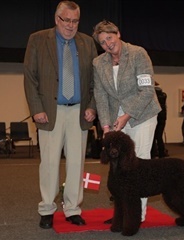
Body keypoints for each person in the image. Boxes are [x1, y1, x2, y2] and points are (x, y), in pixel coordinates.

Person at [23, 1, 98, 229]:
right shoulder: (37, 39)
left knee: (77, 163)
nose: (71, 26)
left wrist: (93, 107)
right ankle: (47, 209)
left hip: (79, 112)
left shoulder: (87, 43)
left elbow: (96, 81)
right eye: (67, 20)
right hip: (49, 112)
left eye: (75, 21)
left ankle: (72, 208)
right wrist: (36, 108)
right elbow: (30, 76)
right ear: (57, 19)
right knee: (49, 163)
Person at [92, 20, 161, 222]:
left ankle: (136, 216)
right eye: (102, 42)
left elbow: (147, 90)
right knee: (118, 169)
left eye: (109, 38)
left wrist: (127, 115)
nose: (107, 45)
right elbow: (101, 96)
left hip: (142, 115)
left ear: (118, 34)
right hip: (115, 121)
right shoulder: (98, 63)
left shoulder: (138, 53)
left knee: (137, 164)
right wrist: (106, 126)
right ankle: (121, 213)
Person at [151, 82, 168, 158]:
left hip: (155, 117)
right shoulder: (164, 95)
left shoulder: (152, 95)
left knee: (153, 137)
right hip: (162, 118)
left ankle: (152, 155)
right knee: (159, 137)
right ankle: (162, 154)